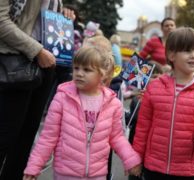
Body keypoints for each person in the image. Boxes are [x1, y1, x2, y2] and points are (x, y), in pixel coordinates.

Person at [23, 46, 142, 180]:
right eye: (76, 68)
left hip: (97, 173)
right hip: (65, 173)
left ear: (102, 74)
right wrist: (34, 166)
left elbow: (117, 138)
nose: (79, 73)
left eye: (87, 70)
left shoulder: (113, 104)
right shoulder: (62, 98)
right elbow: (48, 137)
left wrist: (131, 160)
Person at [0, 1, 74, 179]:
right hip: (15, 61)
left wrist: (60, 15)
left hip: (45, 64)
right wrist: (37, 50)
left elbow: (41, 19)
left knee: (25, 140)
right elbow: (1, 20)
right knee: (5, 136)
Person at [133, 27, 194, 179]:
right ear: (172, 55)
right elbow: (142, 128)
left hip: (185, 169)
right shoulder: (154, 87)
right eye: (187, 51)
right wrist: (136, 158)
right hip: (153, 166)